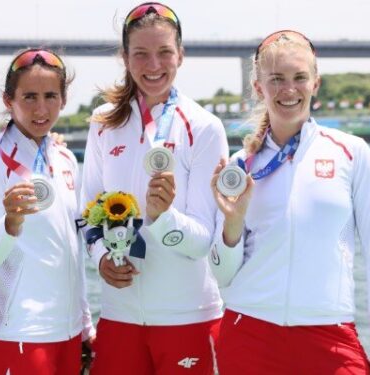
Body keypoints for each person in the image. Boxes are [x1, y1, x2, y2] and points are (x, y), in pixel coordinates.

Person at [209, 30, 370, 375]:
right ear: (258, 87)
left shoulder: (351, 153)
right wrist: (232, 225)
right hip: (248, 334)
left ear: (316, 83)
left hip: (329, 336)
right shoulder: (239, 168)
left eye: (299, 77)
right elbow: (221, 276)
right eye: (276, 79)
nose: (288, 90)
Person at [80, 2, 228, 374]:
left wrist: (164, 218)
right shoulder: (102, 122)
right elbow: (87, 213)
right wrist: (100, 257)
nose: (153, 65)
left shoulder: (204, 128)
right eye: (141, 54)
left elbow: (203, 243)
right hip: (119, 315)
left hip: (188, 317)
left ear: (181, 54)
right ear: (124, 57)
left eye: (164, 52)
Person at [0, 48, 95, 374]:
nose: (41, 108)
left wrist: (85, 323)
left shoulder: (64, 159)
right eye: (29, 97)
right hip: (15, 336)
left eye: (50, 96)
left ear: (64, 99)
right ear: (9, 100)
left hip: (69, 333)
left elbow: (72, 254)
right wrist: (9, 226)